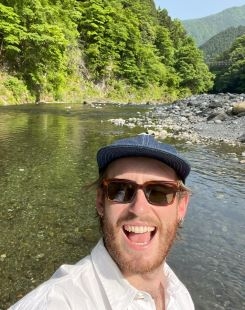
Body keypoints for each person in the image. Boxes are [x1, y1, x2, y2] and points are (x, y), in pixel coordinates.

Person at [9, 134, 194, 310]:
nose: (139, 209)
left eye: (160, 192)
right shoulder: (56, 301)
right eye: (120, 190)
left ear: (181, 207)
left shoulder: (179, 293)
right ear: (100, 202)